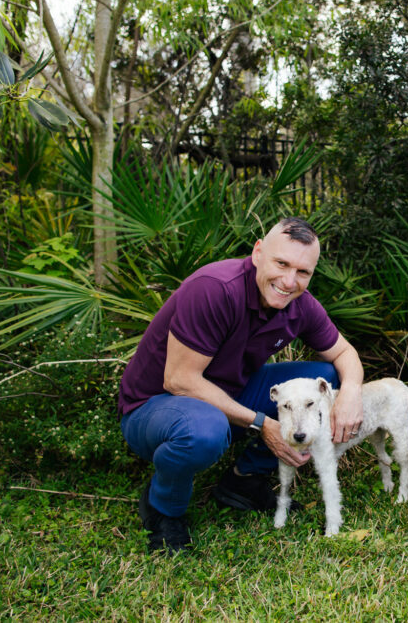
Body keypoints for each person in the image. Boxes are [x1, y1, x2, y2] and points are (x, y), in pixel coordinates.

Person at [117, 217, 364, 554]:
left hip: (229, 392)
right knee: (205, 429)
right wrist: (262, 424)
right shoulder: (215, 289)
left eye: (303, 272)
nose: (289, 281)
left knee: (327, 379)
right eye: (281, 263)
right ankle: (163, 509)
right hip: (155, 406)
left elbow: (344, 353)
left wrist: (350, 392)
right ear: (258, 252)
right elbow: (180, 381)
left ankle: (244, 480)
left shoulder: (299, 305)